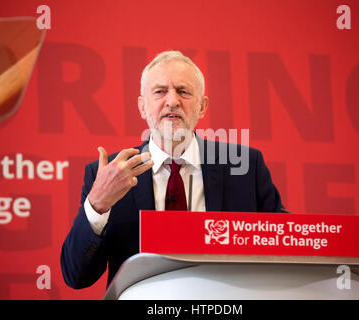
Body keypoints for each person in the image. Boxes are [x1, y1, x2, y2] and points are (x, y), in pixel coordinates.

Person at [60, 51, 286, 289]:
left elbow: (286, 250)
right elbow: (76, 277)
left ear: (202, 107)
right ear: (142, 107)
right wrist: (98, 204)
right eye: (159, 92)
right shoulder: (108, 173)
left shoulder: (245, 167)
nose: (172, 101)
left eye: (183, 91)